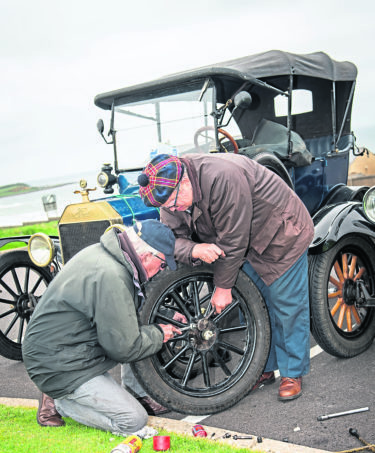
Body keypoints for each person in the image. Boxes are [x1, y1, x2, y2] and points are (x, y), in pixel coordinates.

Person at [138, 153, 314, 401]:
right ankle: (263, 367)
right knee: (255, 306)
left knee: (287, 306)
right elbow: (172, 241)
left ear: (185, 182)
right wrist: (192, 250)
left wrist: (222, 287)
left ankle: (292, 372)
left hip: (280, 235)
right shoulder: (170, 198)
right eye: (165, 207)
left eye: (173, 203)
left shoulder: (222, 176)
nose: (172, 209)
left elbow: (233, 241)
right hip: (246, 244)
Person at [22, 220, 181, 434]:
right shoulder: (112, 275)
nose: (162, 270)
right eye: (162, 264)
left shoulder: (107, 255)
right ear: (147, 256)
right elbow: (125, 347)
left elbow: (128, 312)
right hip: (62, 363)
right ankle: (61, 401)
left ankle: (133, 391)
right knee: (134, 420)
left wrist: (169, 315)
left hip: (64, 348)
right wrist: (160, 333)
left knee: (136, 329)